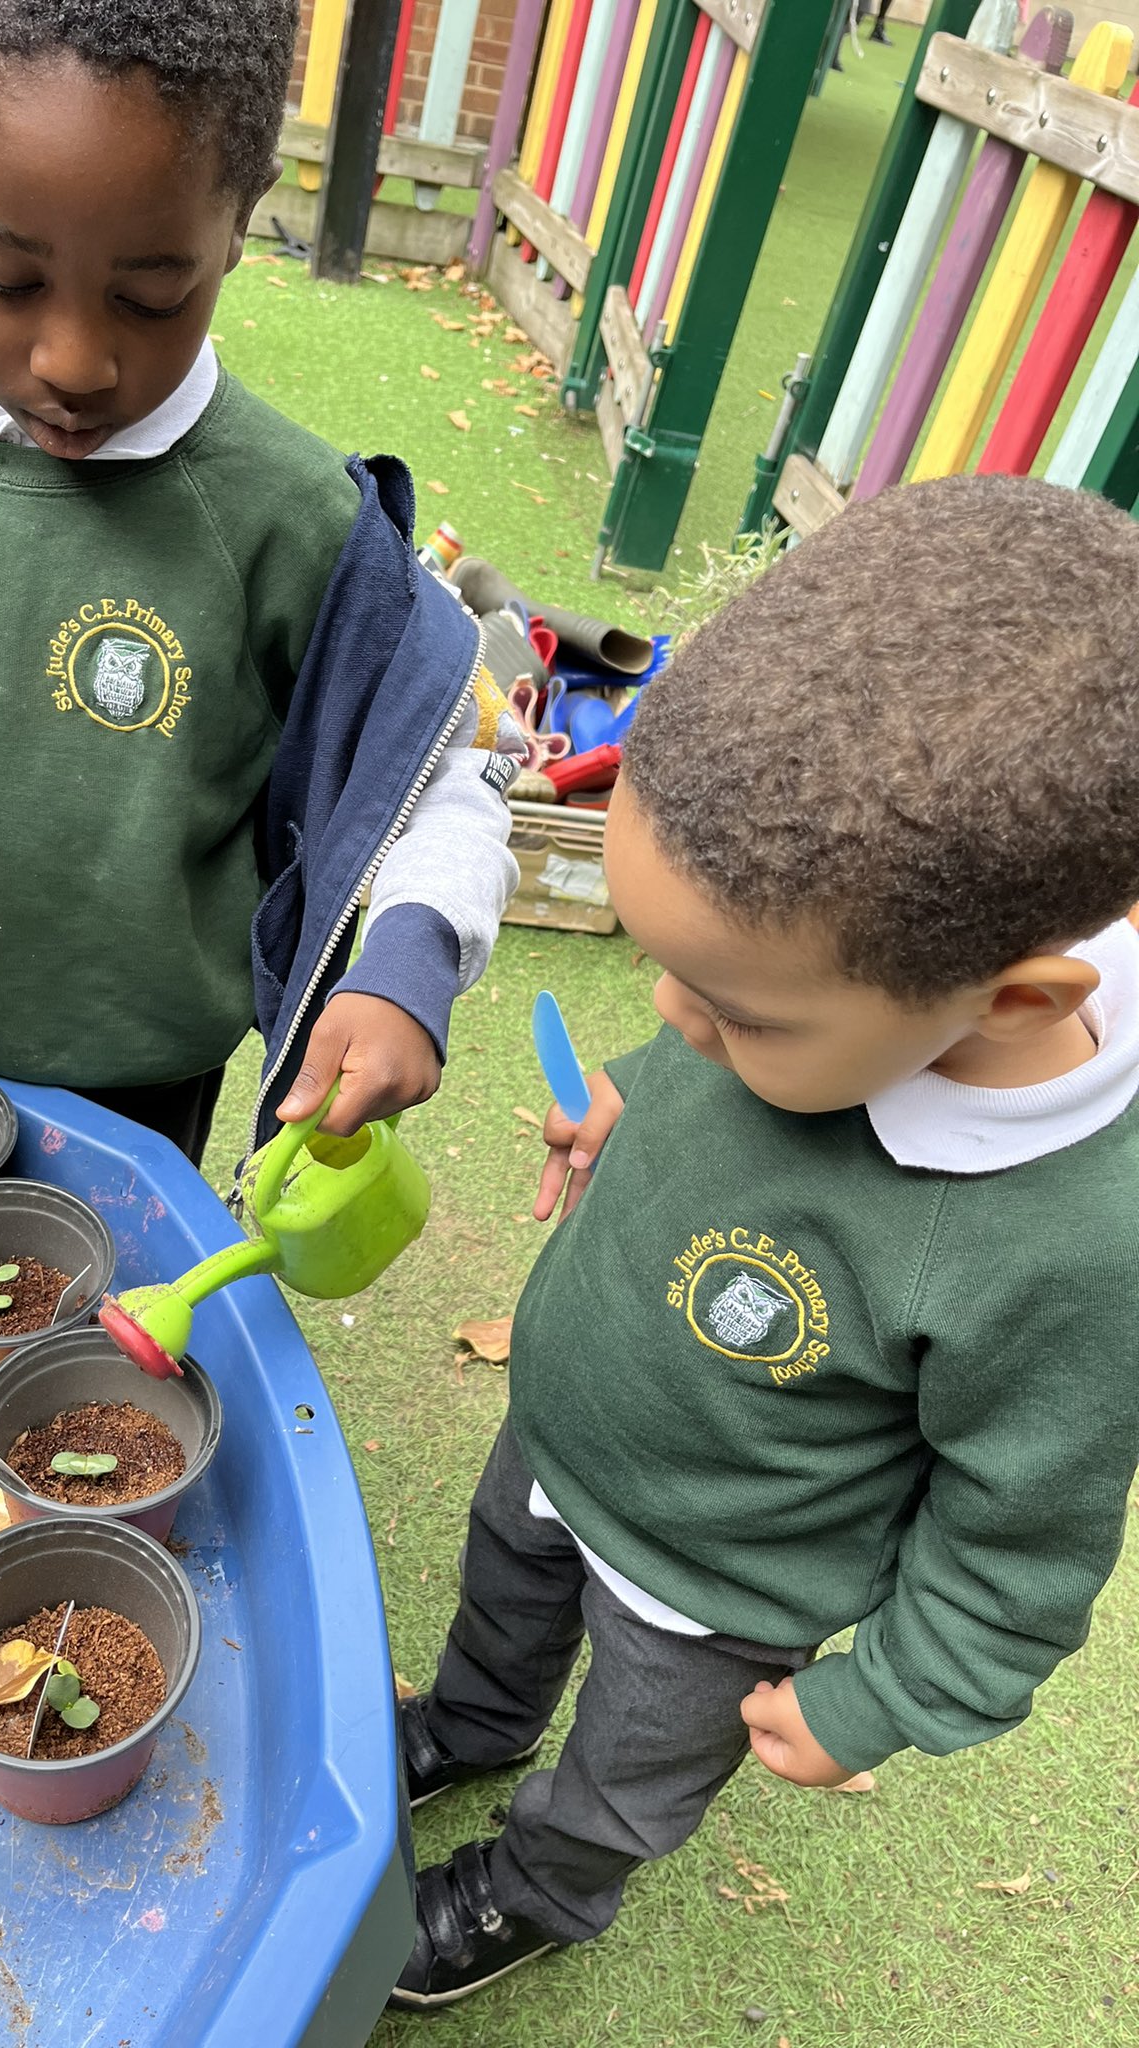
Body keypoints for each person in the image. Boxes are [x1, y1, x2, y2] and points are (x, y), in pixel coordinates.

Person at [391, 474, 1139, 2010]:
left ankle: (535, 1885)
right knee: (504, 1600)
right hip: (564, 1431)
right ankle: (472, 1723)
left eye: (729, 1013)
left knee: (630, 1765)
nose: (674, 1017)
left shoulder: (1071, 1247)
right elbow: (712, 1075)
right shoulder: (828, 985)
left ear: (1008, 1007)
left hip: (717, 1581)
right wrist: (636, 1106)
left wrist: (885, 1700)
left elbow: (1022, 1541)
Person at [0, 0, 522, 1169]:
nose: (74, 361)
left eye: (150, 297)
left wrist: (411, 954)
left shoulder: (297, 524)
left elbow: (443, 764)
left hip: (139, 1089)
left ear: (238, 224)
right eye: (6, 275)